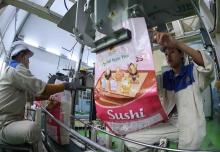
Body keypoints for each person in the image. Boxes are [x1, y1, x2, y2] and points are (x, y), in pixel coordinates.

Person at [125, 32, 214, 151]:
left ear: (181, 54)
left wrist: (176, 43)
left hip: (190, 126)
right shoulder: (165, 77)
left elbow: (208, 65)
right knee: (131, 140)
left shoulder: (192, 72)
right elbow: (144, 83)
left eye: (172, 52)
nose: (168, 56)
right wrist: (144, 46)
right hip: (171, 124)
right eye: (166, 54)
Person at [0, 41, 79, 151]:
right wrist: (65, 86)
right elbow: (43, 88)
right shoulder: (16, 69)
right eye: (28, 59)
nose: (29, 62)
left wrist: (48, 97)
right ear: (21, 55)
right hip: (5, 126)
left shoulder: (11, 73)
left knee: (33, 129)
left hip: (10, 122)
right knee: (34, 128)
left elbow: (33, 96)